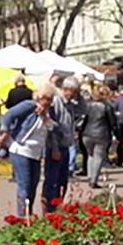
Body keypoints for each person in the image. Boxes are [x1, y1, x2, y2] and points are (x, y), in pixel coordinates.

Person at [0, 84, 57, 215]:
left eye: (50, 99)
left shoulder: (49, 112)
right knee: (24, 185)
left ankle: (28, 214)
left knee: (33, 186)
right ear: (39, 97)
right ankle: (22, 216)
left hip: (35, 153)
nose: (48, 102)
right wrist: (5, 132)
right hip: (21, 149)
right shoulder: (30, 106)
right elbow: (9, 115)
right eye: (46, 98)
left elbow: (54, 129)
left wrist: (46, 118)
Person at [43, 76, 79, 211]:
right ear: (66, 89)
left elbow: (83, 109)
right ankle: (49, 208)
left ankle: (57, 204)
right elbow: (52, 127)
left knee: (63, 180)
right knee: (53, 179)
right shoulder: (56, 102)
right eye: (74, 91)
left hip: (65, 146)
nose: (75, 94)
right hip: (55, 147)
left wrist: (79, 96)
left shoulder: (70, 103)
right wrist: (55, 147)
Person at [80, 84, 119, 188]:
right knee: (98, 156)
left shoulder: (88, 105)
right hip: (102, 133)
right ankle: (94, 180)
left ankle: (90, 176)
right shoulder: (107, 106)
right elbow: (112, 122)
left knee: (90, 155)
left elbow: (82, 120)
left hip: (87, 134)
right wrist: (116, 134)